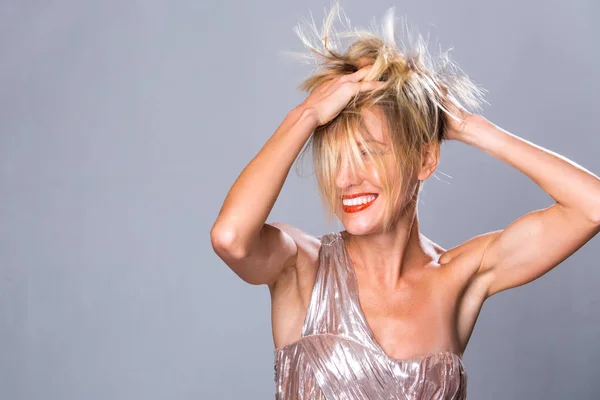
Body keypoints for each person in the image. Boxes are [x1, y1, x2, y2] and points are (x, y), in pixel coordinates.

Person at [210, 3, 600, 399]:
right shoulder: (301, 267)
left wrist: (473, 129)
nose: (346, 180)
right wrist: (307, 115)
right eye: (337, 161)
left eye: (369, 153)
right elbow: (230, 237)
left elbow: (592, 207)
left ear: (426, 159)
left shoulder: (459, 276)